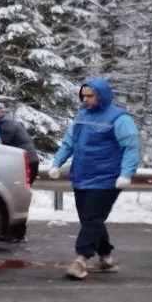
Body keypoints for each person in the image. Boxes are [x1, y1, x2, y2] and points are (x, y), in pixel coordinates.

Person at [47, 78, 140, 280]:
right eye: (83, 96)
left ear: (102, 95)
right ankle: (106, 259)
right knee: (91, 219)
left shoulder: (119, 118)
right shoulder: (82, 116)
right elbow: (69, 143)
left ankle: (81, 260)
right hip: (82, 176)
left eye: (90, 96)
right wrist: (57, 163)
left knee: (92, 219)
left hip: (107, 179)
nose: (85, 100)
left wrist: (126, 174)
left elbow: (130, 148)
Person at [0, 100, 38, 243]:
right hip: (28, 160)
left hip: (28, 162)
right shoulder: (6, 122)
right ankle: (15, 233)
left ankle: (18, 234)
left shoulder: (6, 125)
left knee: (19, 196)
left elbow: (0, 144)